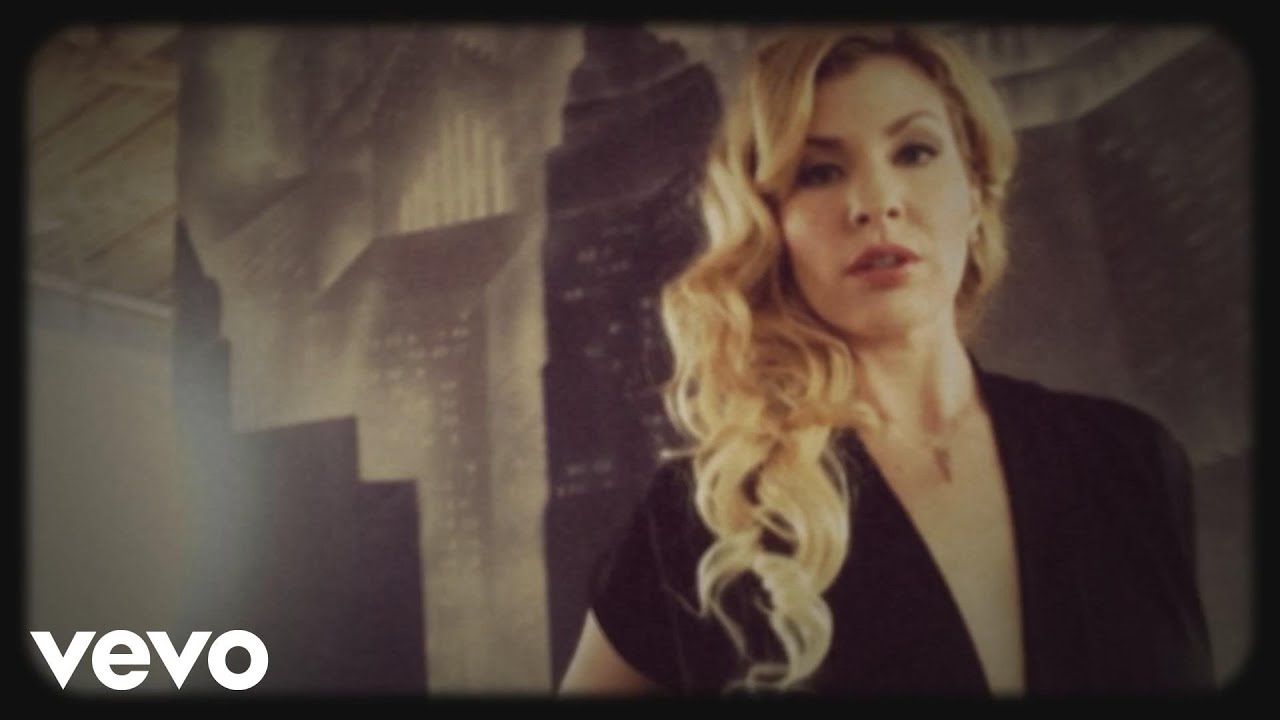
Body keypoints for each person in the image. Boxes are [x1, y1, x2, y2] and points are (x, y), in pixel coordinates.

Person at [558, 25, 1213, 696]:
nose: (875, 202)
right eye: (819, 171)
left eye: (915, 152)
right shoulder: (708, 517)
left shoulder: (1131, 459)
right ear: (771, 225)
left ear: (974, 193)